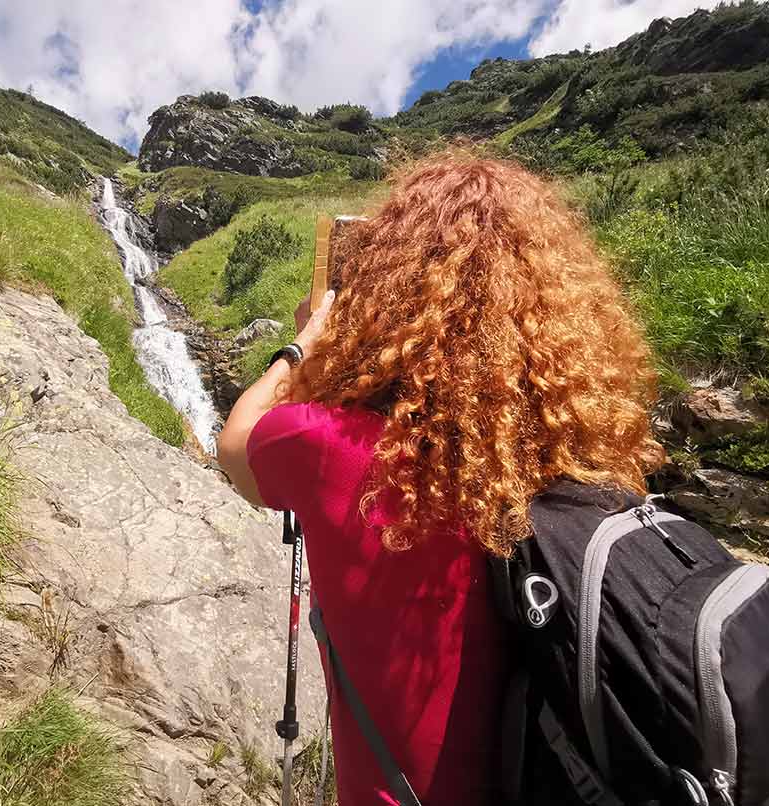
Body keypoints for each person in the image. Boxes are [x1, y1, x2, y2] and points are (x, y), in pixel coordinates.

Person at [217, 151, 661, 805]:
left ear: (386, 300)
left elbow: (235, 447)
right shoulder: (567, 458)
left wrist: (310, 341)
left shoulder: (328, 446)